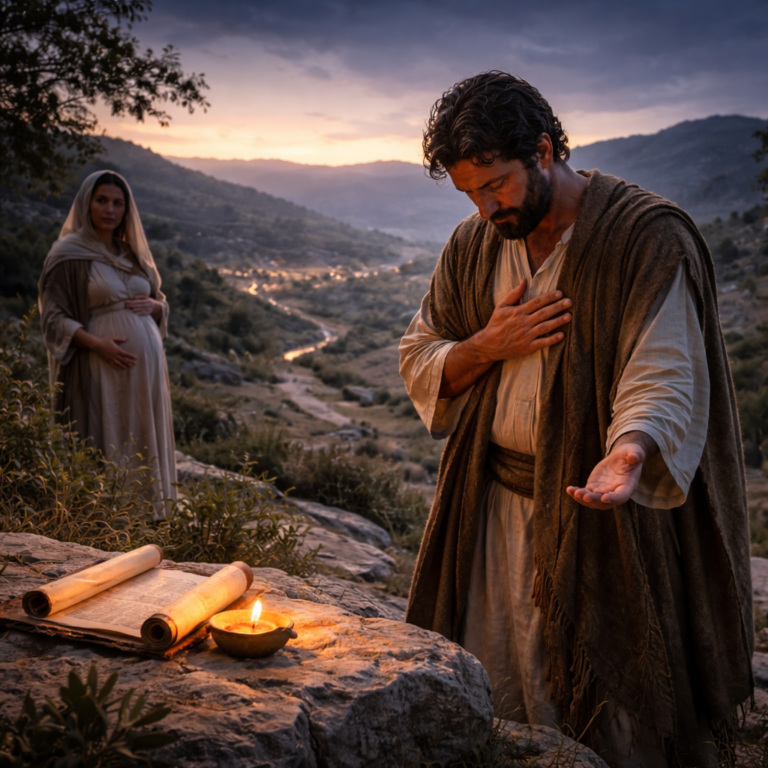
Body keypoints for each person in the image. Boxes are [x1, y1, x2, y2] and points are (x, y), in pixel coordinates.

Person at [399, 72, 752, 768]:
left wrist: (627, 451)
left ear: (544, 148)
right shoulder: (474, 246)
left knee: (619, 717)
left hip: (605, 520)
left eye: (496, 183)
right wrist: (485, 346)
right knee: (501, 693)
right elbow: (420, 352)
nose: (484, 205)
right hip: (491, 516)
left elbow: (664, 368)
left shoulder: (642, 238)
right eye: (469, 191)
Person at [38, 170, 177, 511]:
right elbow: (53, 318)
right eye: (102, 200)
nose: (110, 210)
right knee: (108, 435)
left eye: (117, 203)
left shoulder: (132, 255)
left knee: (143, 434)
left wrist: (157, 306)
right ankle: (110, 516)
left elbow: (159, 300)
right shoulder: (68, 254)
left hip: (145, 375)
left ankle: (149, 512)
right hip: (100, 366)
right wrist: (98, 345)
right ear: (87, 203)